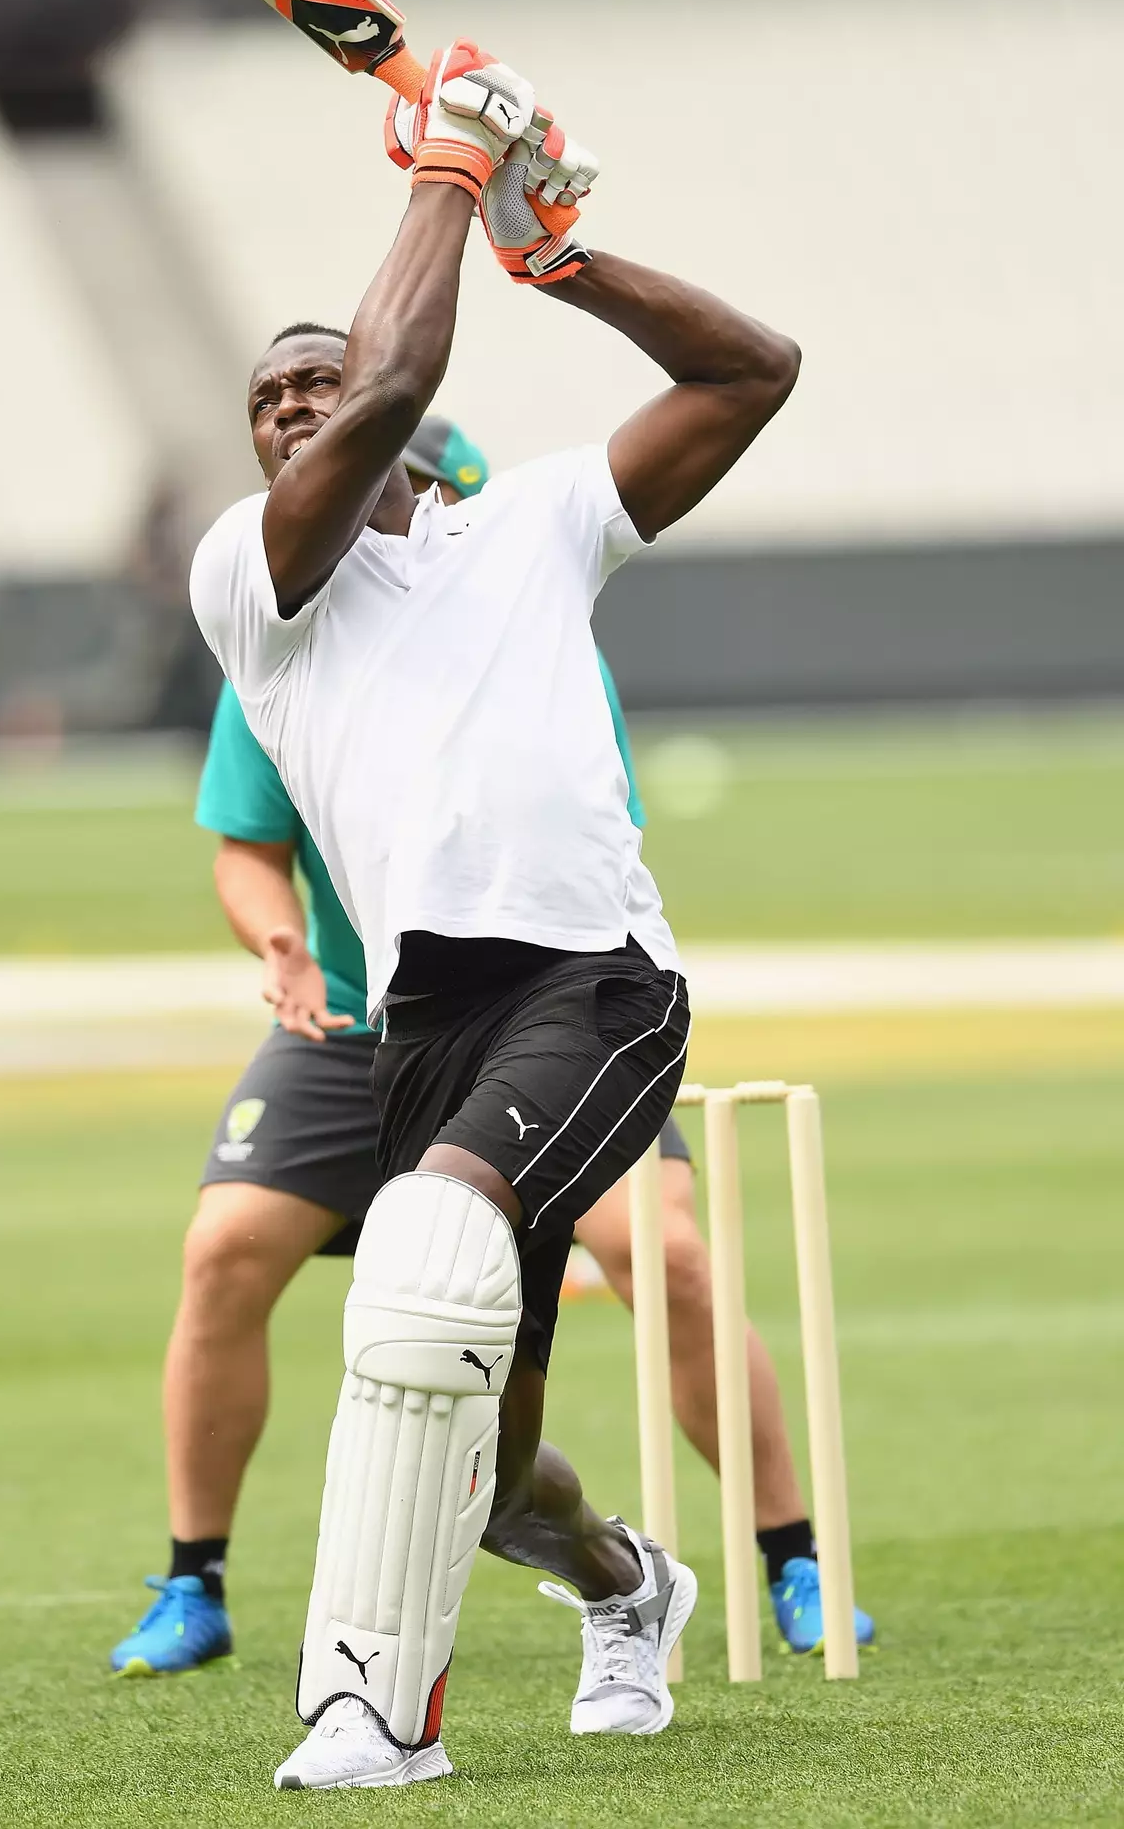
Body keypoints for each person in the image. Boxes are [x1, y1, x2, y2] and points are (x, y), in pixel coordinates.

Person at [188, 41, 801, 1789]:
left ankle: (369, 1719)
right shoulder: (255, 578)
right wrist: (451, 163)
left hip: (600, 988)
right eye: (269, 400)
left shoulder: (522, 522)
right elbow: (393, 377)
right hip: (428, 1020)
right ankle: (627, 1581)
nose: (297, 406)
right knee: (472, 1450)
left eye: (316, 381)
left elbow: (754, 370)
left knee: (423, 1264)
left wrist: (558, 254)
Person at [111, 419, 872, 1684]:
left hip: (542, 1023)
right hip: (356, 1024)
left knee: (670, 1257)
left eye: (454, 502)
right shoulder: (285, 628)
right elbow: (244, 844)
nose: (435, 536)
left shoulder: (533, 646)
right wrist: (285, 947)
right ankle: (195, 1580)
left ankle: (788, 1552)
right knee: (222, 1253)